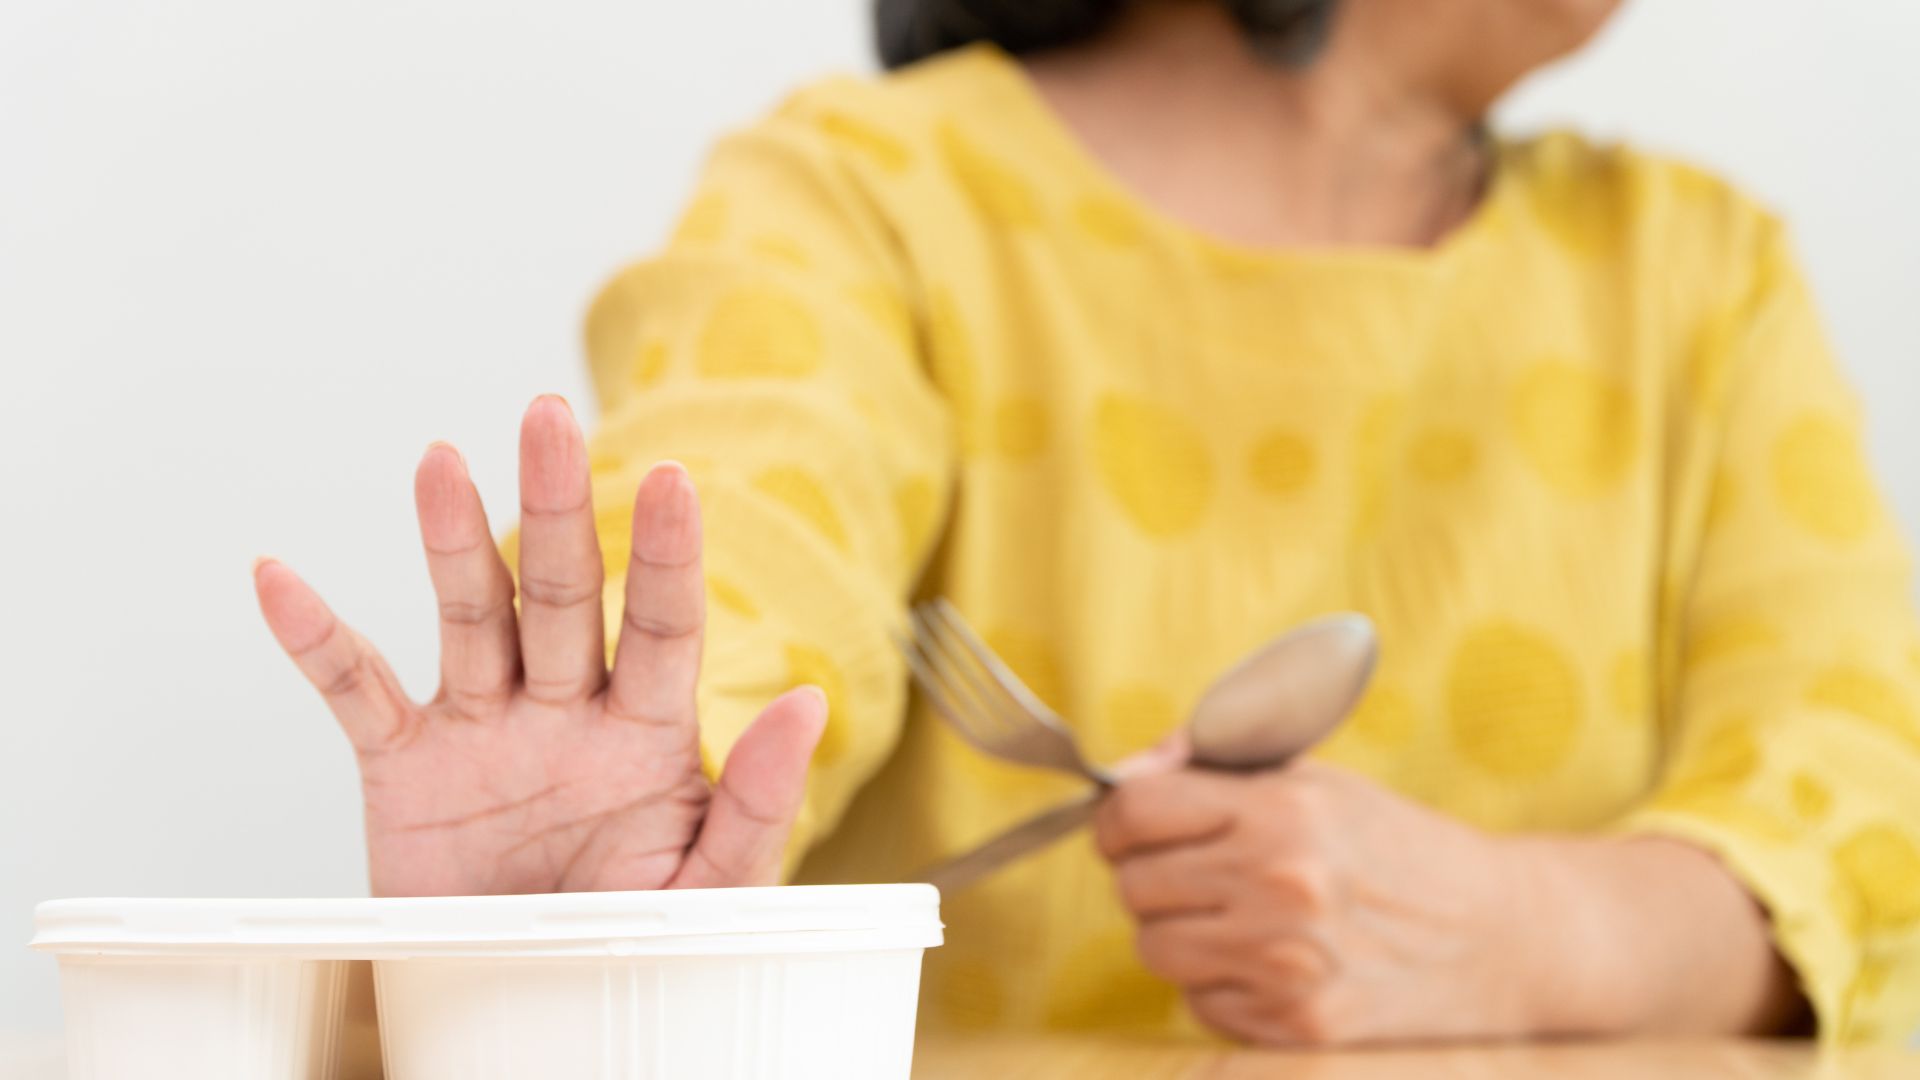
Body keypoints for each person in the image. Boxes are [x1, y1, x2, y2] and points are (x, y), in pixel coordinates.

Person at [251, 0, 1920, 1046]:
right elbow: (754, 520)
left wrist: (1533, 933)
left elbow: (1867, 798)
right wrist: (645, 783)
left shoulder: (1704, 277)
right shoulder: (857, 199)